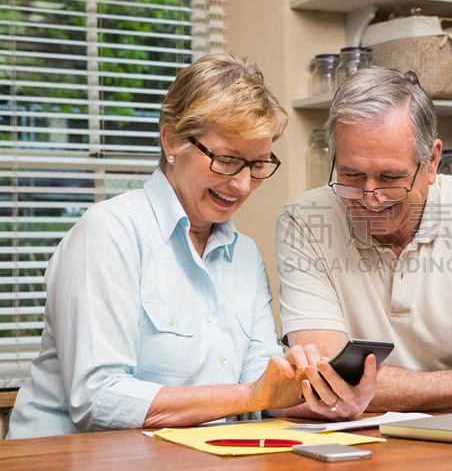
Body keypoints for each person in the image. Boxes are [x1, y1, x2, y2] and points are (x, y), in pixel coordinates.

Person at [8, 53, 377, 439]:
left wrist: (330, 401)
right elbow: (98, 401)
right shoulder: (109, 233)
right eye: (227, 160)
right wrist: (249, 395)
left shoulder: (245, 255)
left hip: (189, 468)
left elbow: (262, 388)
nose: (242, 185)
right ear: (171, 141)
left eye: (257, 164)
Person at [276, 66, 452, 413]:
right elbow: (325, 380)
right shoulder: (304, 220)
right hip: (366, 441)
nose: (370, 196)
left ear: (432, 161)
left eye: (391, 176)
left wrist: (378, 389)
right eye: (351, 174)